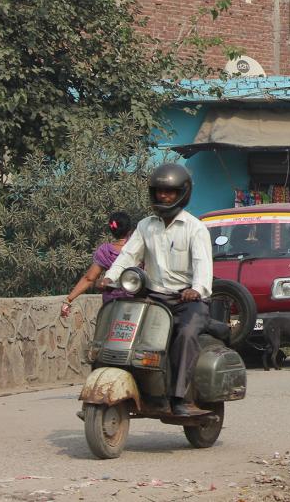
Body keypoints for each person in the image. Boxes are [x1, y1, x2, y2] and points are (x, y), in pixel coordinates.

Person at [101, 163, 213, 416]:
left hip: (188, 300)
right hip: (154, 298)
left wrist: (196, 289)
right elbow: (128, 255)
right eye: (160, 191)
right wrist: (110, 277)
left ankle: (181, 398)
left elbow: (203, 265)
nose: (164, 196)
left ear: (182, 193)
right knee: (123, 329)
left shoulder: (195, 228)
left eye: (170, 191)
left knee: (184, 334)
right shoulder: (145, 226)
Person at [61, 212, 135, 317]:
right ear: (130, 230)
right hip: (137, 303)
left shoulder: (105, 251)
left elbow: (89, 278)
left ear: (111, 231)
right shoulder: (137, 249)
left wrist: (68, 300)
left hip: (112, 305)